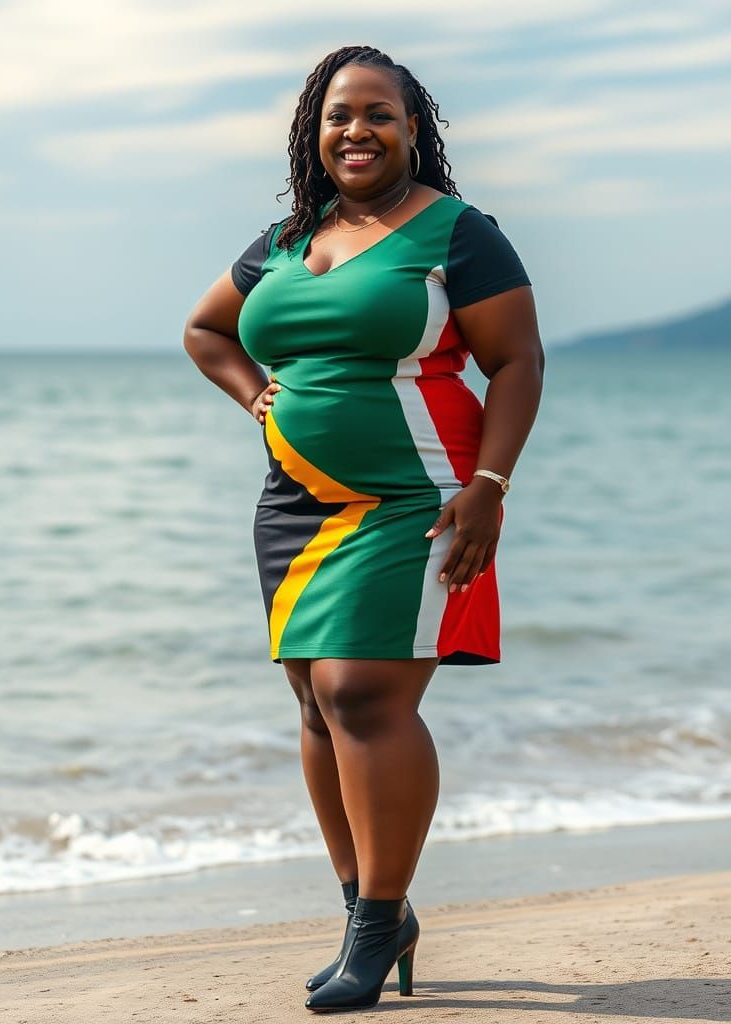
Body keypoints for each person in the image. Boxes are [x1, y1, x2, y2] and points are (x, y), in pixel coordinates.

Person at [183, 44, 544, 1013]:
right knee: (312, 704)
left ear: (412, 129)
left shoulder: (459, 235)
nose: (357, 129)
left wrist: (490, 485)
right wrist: (257, 393)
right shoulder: (284, 241)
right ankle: (368, 909)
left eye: (379, 112)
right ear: (314, 131)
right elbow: (206, 331)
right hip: (292, 507)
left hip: (417, 494)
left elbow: (516, 361)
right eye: (339, 114)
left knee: (359, 695)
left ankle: (377, 924)